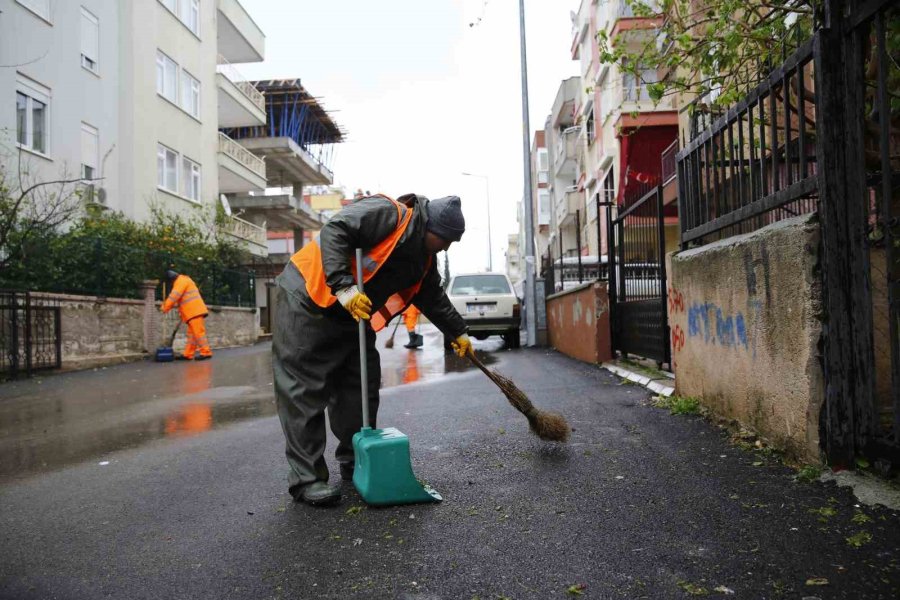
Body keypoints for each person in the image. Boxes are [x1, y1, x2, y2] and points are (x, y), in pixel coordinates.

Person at [272, 193, 473, 506]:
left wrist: (458, 332)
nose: (446, 247)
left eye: (452, 242)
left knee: (359, 385)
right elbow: (335, 230)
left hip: (352, 312)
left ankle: (356, 459)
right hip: (307, 296)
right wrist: (343, 287)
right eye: (444, 239)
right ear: (428, 225)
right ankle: (307, 479)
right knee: (303, 389)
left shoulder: (423, 258)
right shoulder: (387, 214)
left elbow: (431, 296)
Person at [161, 269, 212, 361]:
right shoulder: (184, 280)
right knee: (192, 335)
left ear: (171, 280)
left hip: (194, 311)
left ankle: (206, 352)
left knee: (198, 334)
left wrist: (165, 307)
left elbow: (174, 296)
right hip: (193, 312)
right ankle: (188, 354)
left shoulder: (180, 282)